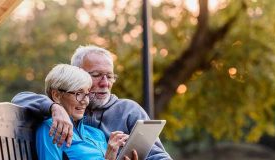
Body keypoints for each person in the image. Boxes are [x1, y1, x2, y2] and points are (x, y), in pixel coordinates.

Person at [12, 45, 172, 160]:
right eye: (96, 75)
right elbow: (20, 98)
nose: (105, 83)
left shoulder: (126, 112)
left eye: (109, 76)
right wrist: (54, 108)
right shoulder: (58, 117)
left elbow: (156, 154)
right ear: (79, 75)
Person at [37, 64, 137, 160]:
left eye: (87, 94)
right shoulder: (51, 129)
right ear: (56, 95)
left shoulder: (96, 134)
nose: (85, 101)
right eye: (79, 93)